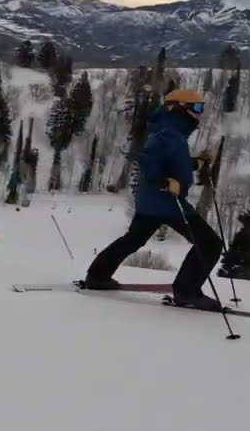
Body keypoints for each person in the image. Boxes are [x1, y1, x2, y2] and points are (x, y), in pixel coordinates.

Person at [83, 89, 225, 311]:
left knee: (134, 239)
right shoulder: (169, 133)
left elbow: (172, 161)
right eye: (197, 108)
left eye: (202, 108)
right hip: (166, 202)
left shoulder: (170, 131)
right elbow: (148, 159)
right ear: (179, 108)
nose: (200, 114)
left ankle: (98, 275)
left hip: (152, 201)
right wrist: (164, 182)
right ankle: (187, 291)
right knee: (210, 243)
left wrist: (197, 162)